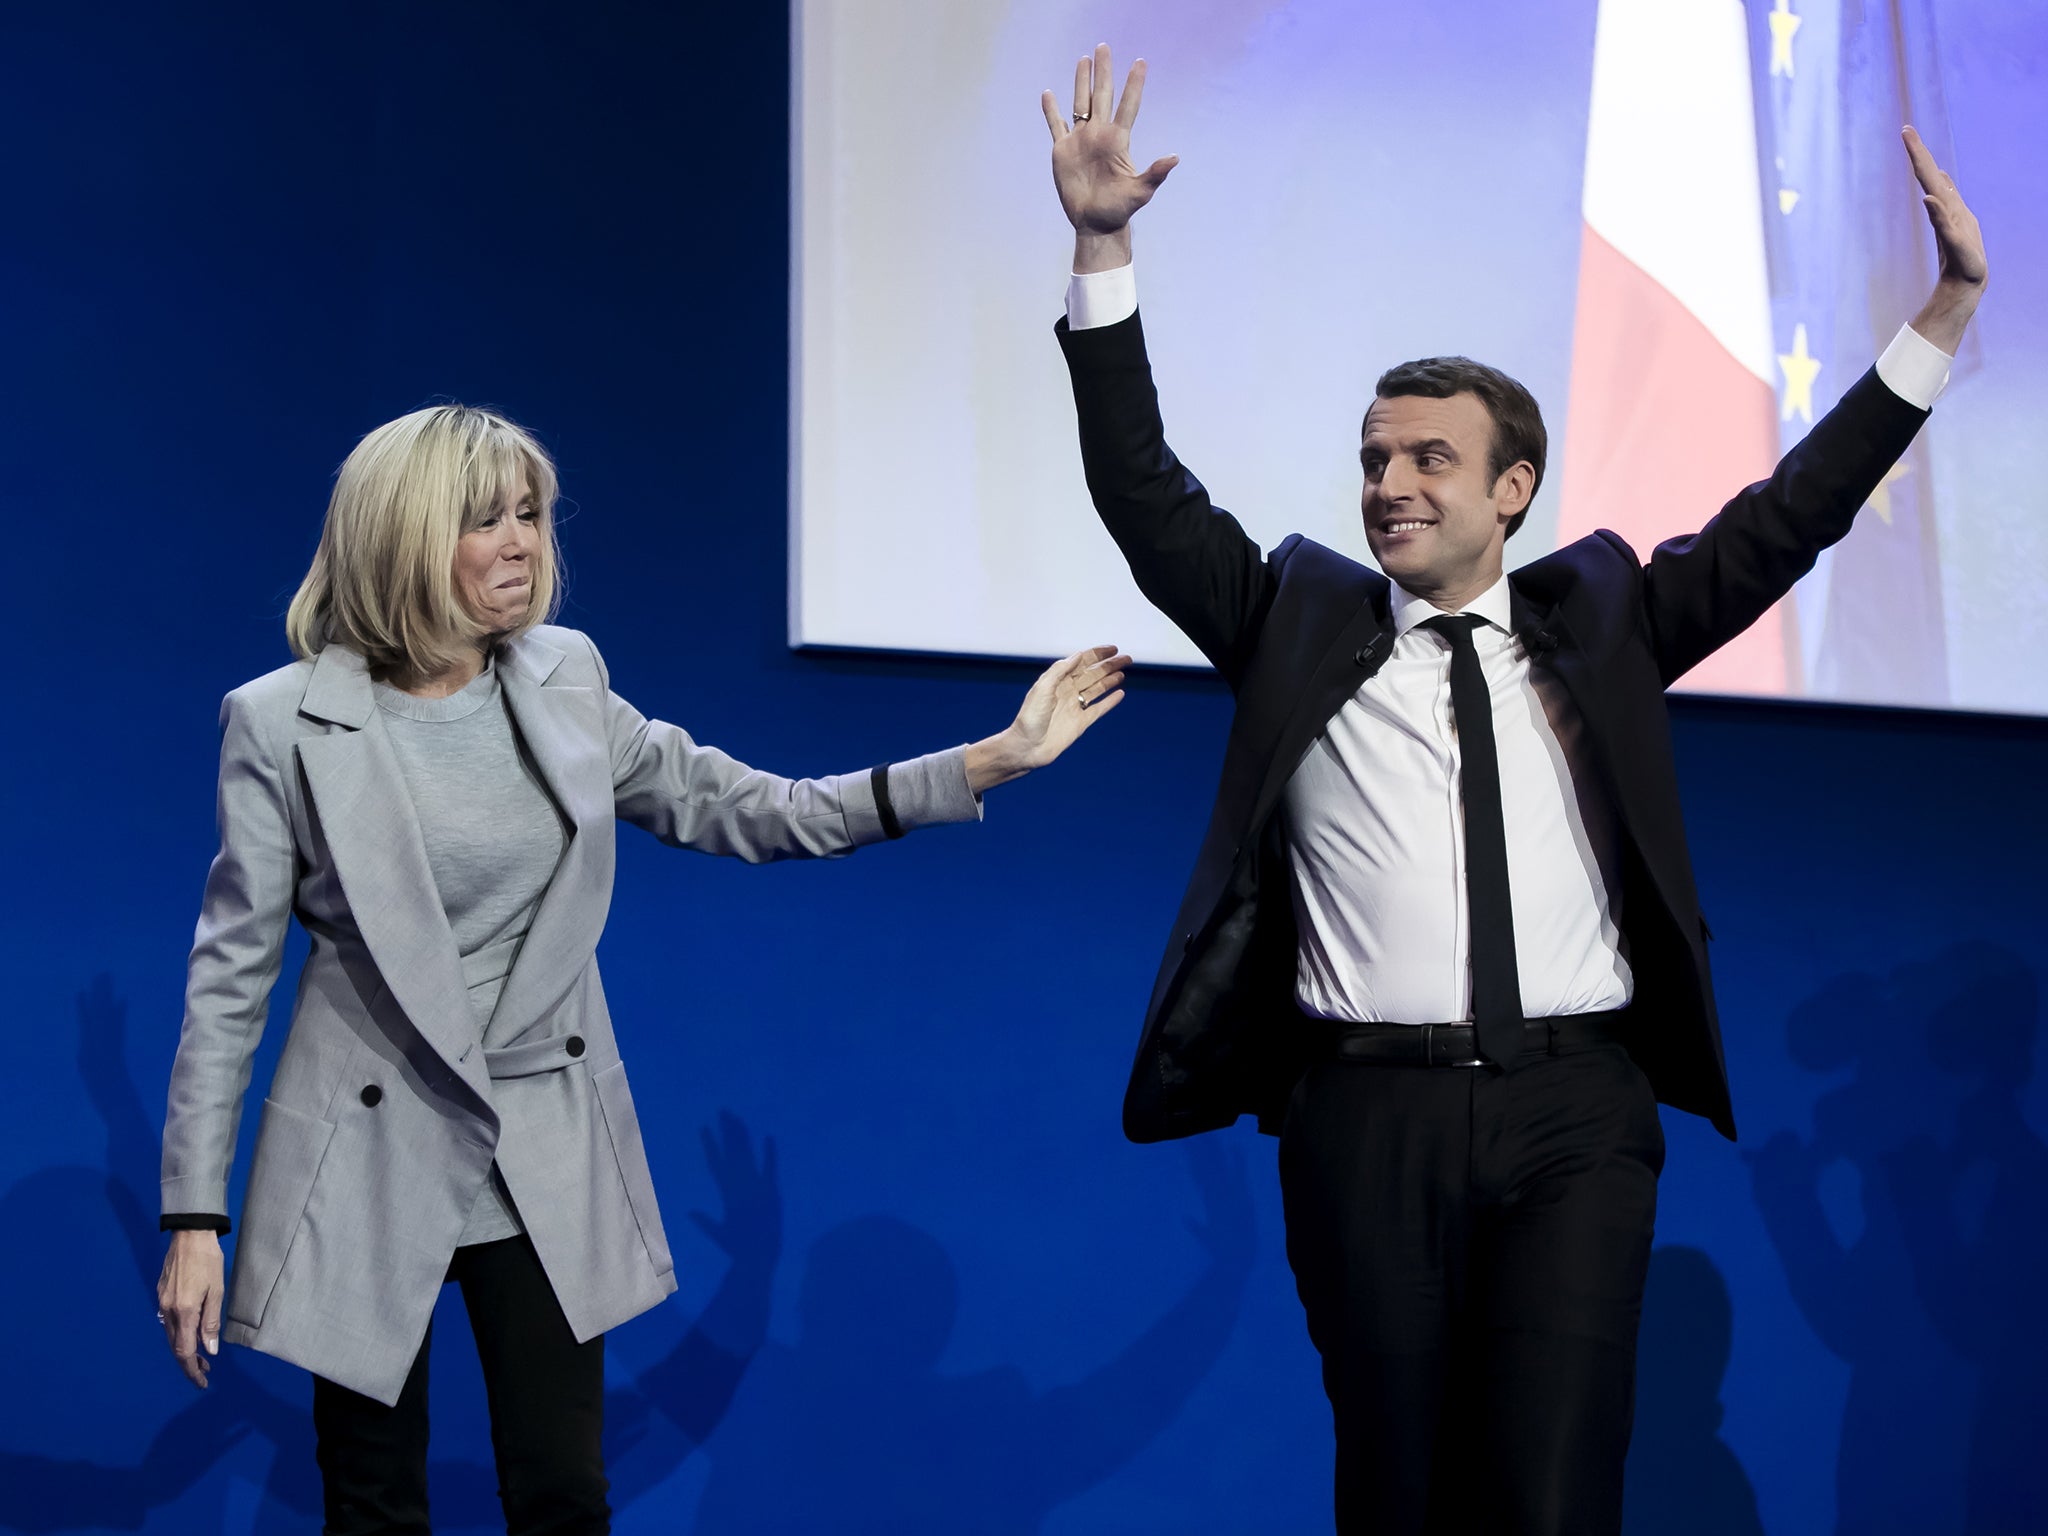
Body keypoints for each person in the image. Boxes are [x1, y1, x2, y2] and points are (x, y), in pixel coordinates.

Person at [1039, 43, 1985, 1536]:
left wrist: (1938, 320)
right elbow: (1139, 488)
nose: (1389, 484)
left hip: (1575, 1110)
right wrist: (1103, 249)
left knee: (1553, 1500)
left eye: (1429, 457)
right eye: (1371, 459)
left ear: (1512, 489)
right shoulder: (1293, 617)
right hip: (1366, 1115)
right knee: (1399, 1497)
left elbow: (1785, 522)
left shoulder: (1601, 615)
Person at [154, 402, 1131, 1535]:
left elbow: (752, 808)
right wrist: (194, 1218)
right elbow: (229, 982)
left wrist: (986, 762)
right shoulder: (279, 724)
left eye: (529, 513)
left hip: (538, 1149)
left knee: (564, 1496)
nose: (521, 540)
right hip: (366, 1152)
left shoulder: (567, 679)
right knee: (373, 1504)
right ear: (400, 537)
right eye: (484, 519)